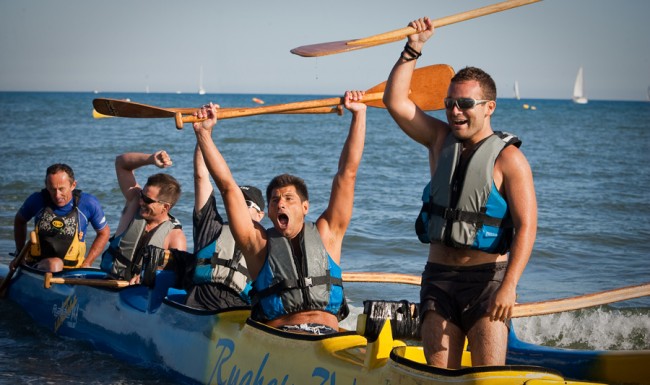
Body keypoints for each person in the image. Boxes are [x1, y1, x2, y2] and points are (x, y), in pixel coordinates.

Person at [382, 18, 537, 367]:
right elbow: (395, 100)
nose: (454, 111)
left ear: (488, 107)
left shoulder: (510, 160)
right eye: (450, 102)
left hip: (486, 284)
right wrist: (414, 48)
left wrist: (509, 286)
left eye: (464, 103)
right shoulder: (438, 140)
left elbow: (527, 227)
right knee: (439, 377)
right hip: (438, 280)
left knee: (487, 375)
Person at [192, 90, 367, 334]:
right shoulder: (258, 245)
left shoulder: (328, 234)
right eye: (274, 200)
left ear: (305, 207)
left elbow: (347, 174)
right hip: (283, 338)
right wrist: (204, 134)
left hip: (328, 337)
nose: (280, 204)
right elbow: (228, 188)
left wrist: (359, 115)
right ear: (270, 212)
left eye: (288, 199)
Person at [185, 142, 265, 310]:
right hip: (201, 302)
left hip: (238, 309)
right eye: (238, 201)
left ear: (260, 215)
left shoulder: (267, 244)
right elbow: (201, 176)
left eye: (247, 203)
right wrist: (203, 132)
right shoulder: (212, 227)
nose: (240, 206)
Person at [100, 150, 187, 282]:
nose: (141, 201)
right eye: (142, 195)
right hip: (110, 284)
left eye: (148, 200)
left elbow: (176, 276)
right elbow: (121, 163)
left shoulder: (175, 236)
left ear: (165, 207)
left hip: (141, 295)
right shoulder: (134, 205)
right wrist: (150, 159)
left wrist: (148, 276)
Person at [13, 163, 110, 272]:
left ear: (73, 185)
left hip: (73, 271)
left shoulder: (88, 203)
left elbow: (104, 233)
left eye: (61, 189)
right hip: (39, 266)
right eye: (52, 189)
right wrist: (20, 254)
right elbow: (20, 221)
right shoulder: (36, 200)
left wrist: (88, 263)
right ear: (46, 185)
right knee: (55, 264)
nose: (57, 195)